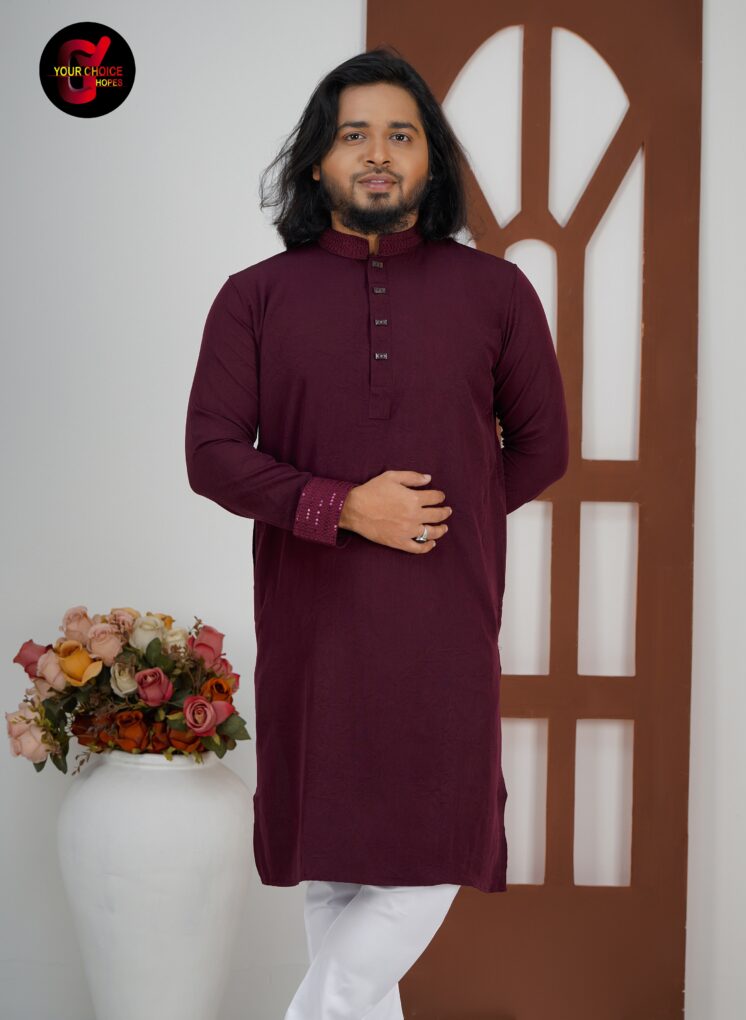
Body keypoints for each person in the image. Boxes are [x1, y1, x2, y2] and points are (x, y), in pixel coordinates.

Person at [185, 44, 569, 1020]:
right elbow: (212, 455)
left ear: (430, 160)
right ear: (318, 160)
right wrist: (344, 507)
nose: (378, 153)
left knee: (435, 849)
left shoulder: (496, 293)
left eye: (401, 135)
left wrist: (448, 520)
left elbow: (542, 447)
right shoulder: (255, 297)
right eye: (354, 134)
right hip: (313, 625)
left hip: (445, 626)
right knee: (335, 869)